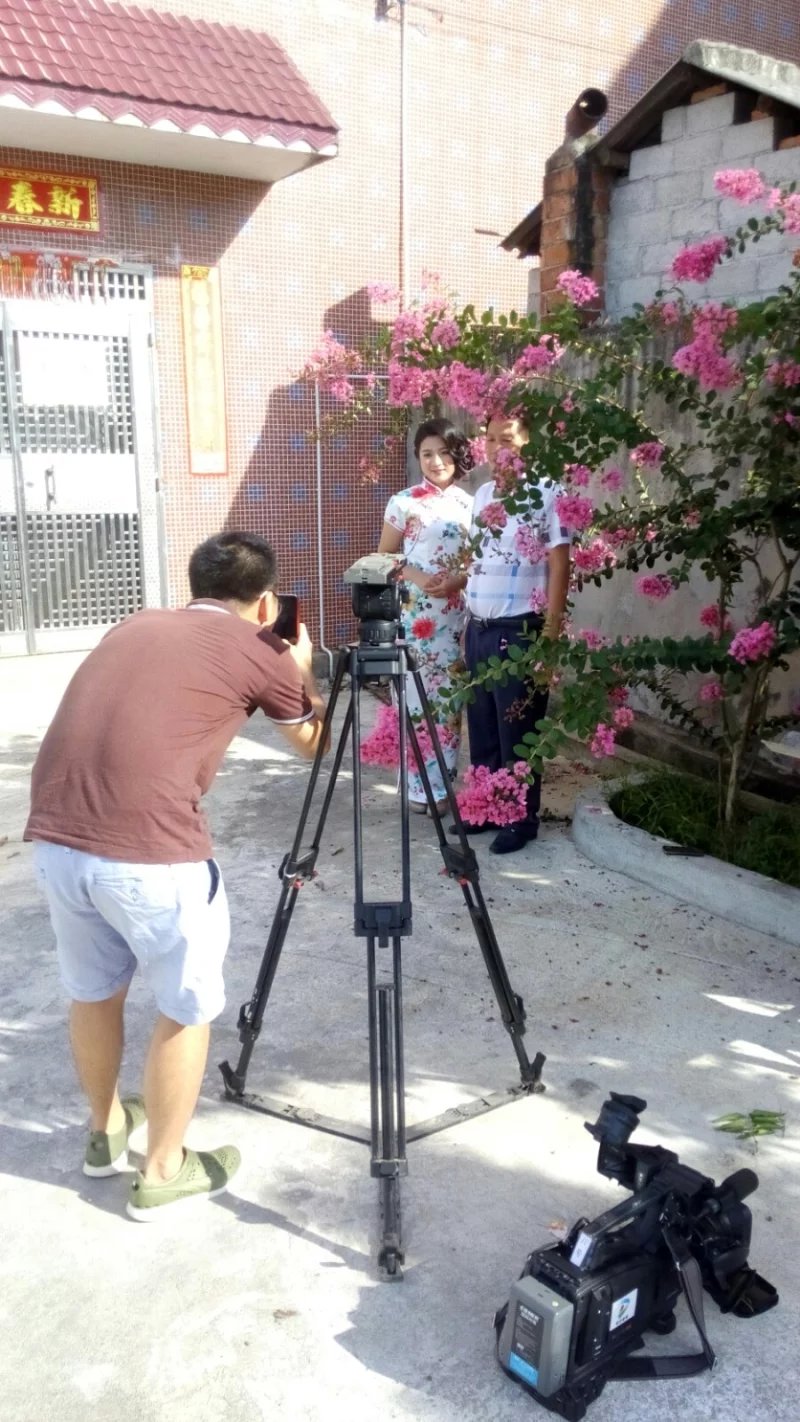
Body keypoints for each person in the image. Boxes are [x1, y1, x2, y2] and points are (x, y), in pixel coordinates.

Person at [26, 532, 328, 1220]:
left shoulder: (134, 623)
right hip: (153, 852)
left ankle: (105, 1132)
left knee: (93, 990)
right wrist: (303, 669)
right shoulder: (263, 649)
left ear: (194, 586)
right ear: (267, 603)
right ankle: (163, 1169)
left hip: (56, 839)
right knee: (186, 1007)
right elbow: (316, 744)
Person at [459, 410, 571, 855]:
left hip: (520, 630)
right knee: (483, 729)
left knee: (517, 731)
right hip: (479, 628)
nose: (496, 448)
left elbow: (560, 563)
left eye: (506, 439)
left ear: (527, 442)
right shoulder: (482, 495)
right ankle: (486, 808)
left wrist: (551, 635)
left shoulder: (548, 492)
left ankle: (521, 820)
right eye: (490, 439)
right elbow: (477, 562)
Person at [376, 417, 474, 813]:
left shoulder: (473, 504)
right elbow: (384, 557)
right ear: (417, 457)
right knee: (414, 699)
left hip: (456, 615)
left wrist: (458, 579)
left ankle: (442, 788)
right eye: (427, 454)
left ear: (457, 454)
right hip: (415, 614)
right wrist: (418, 577)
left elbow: (480, 560)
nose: (436, 462)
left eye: (444, 453)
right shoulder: (403, 501)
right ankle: (418, 788)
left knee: (450, 703)